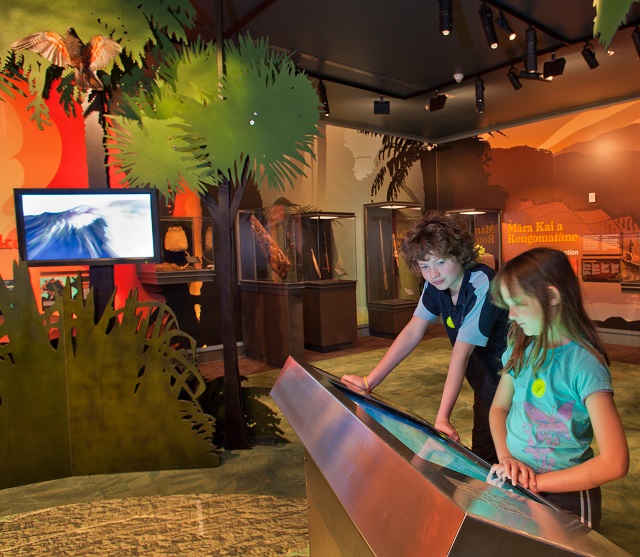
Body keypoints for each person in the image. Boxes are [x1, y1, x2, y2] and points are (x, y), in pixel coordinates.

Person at [341, 209, 509, 463]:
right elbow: (412, 331)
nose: (433, 274)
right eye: (424, 266)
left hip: (513, 385)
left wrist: (442, 417)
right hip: (483, 381)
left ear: (460, 254)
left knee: (514, 460)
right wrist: (369, 381)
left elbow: (460, 354)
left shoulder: (481, 282)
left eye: (440, 262)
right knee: (485, 457)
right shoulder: (435, 285)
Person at [488, 247, 629, 529]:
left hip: (565, 492)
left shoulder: (584, 364)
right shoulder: (519, 347)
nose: (511, 314)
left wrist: (536, 484)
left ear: (551, 297)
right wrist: (506, 458)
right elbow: (499, 409)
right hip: (515, 477)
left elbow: (615, 462)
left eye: (517, 302)